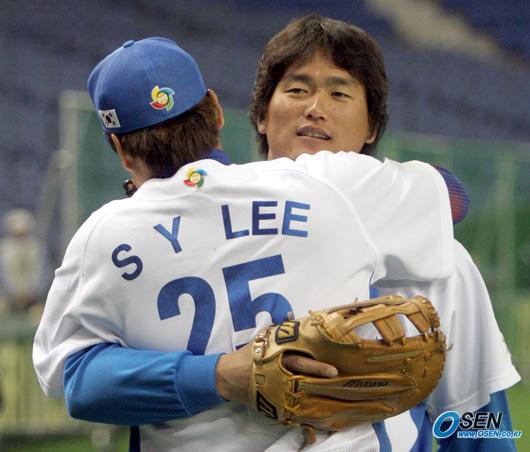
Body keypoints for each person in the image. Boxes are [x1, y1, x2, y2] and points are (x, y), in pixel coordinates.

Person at [33, 16, 520, 451]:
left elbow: (479, 421)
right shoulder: (333, 187)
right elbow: (452, 196)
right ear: (242, 114)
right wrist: (220, 375)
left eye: (340, 93)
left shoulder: (107, 233)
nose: (316, 108)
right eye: (297, 90)